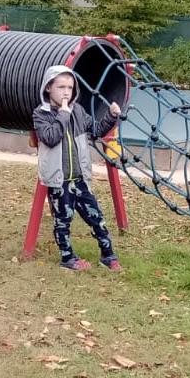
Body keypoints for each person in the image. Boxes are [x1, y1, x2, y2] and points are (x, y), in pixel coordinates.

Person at [32, 65, 123, 271]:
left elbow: (97, 130)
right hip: (58, 180)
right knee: (62, 221)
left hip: (79, 179)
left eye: (70, 88)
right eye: (61, 87)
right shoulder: (41, 114)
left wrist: (111, 116)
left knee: (96, 217)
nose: (66, 92)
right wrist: (63, 114)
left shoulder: (79, 112)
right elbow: (51, 137)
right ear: (48, 88)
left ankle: (108, 256)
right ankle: (67, 258)